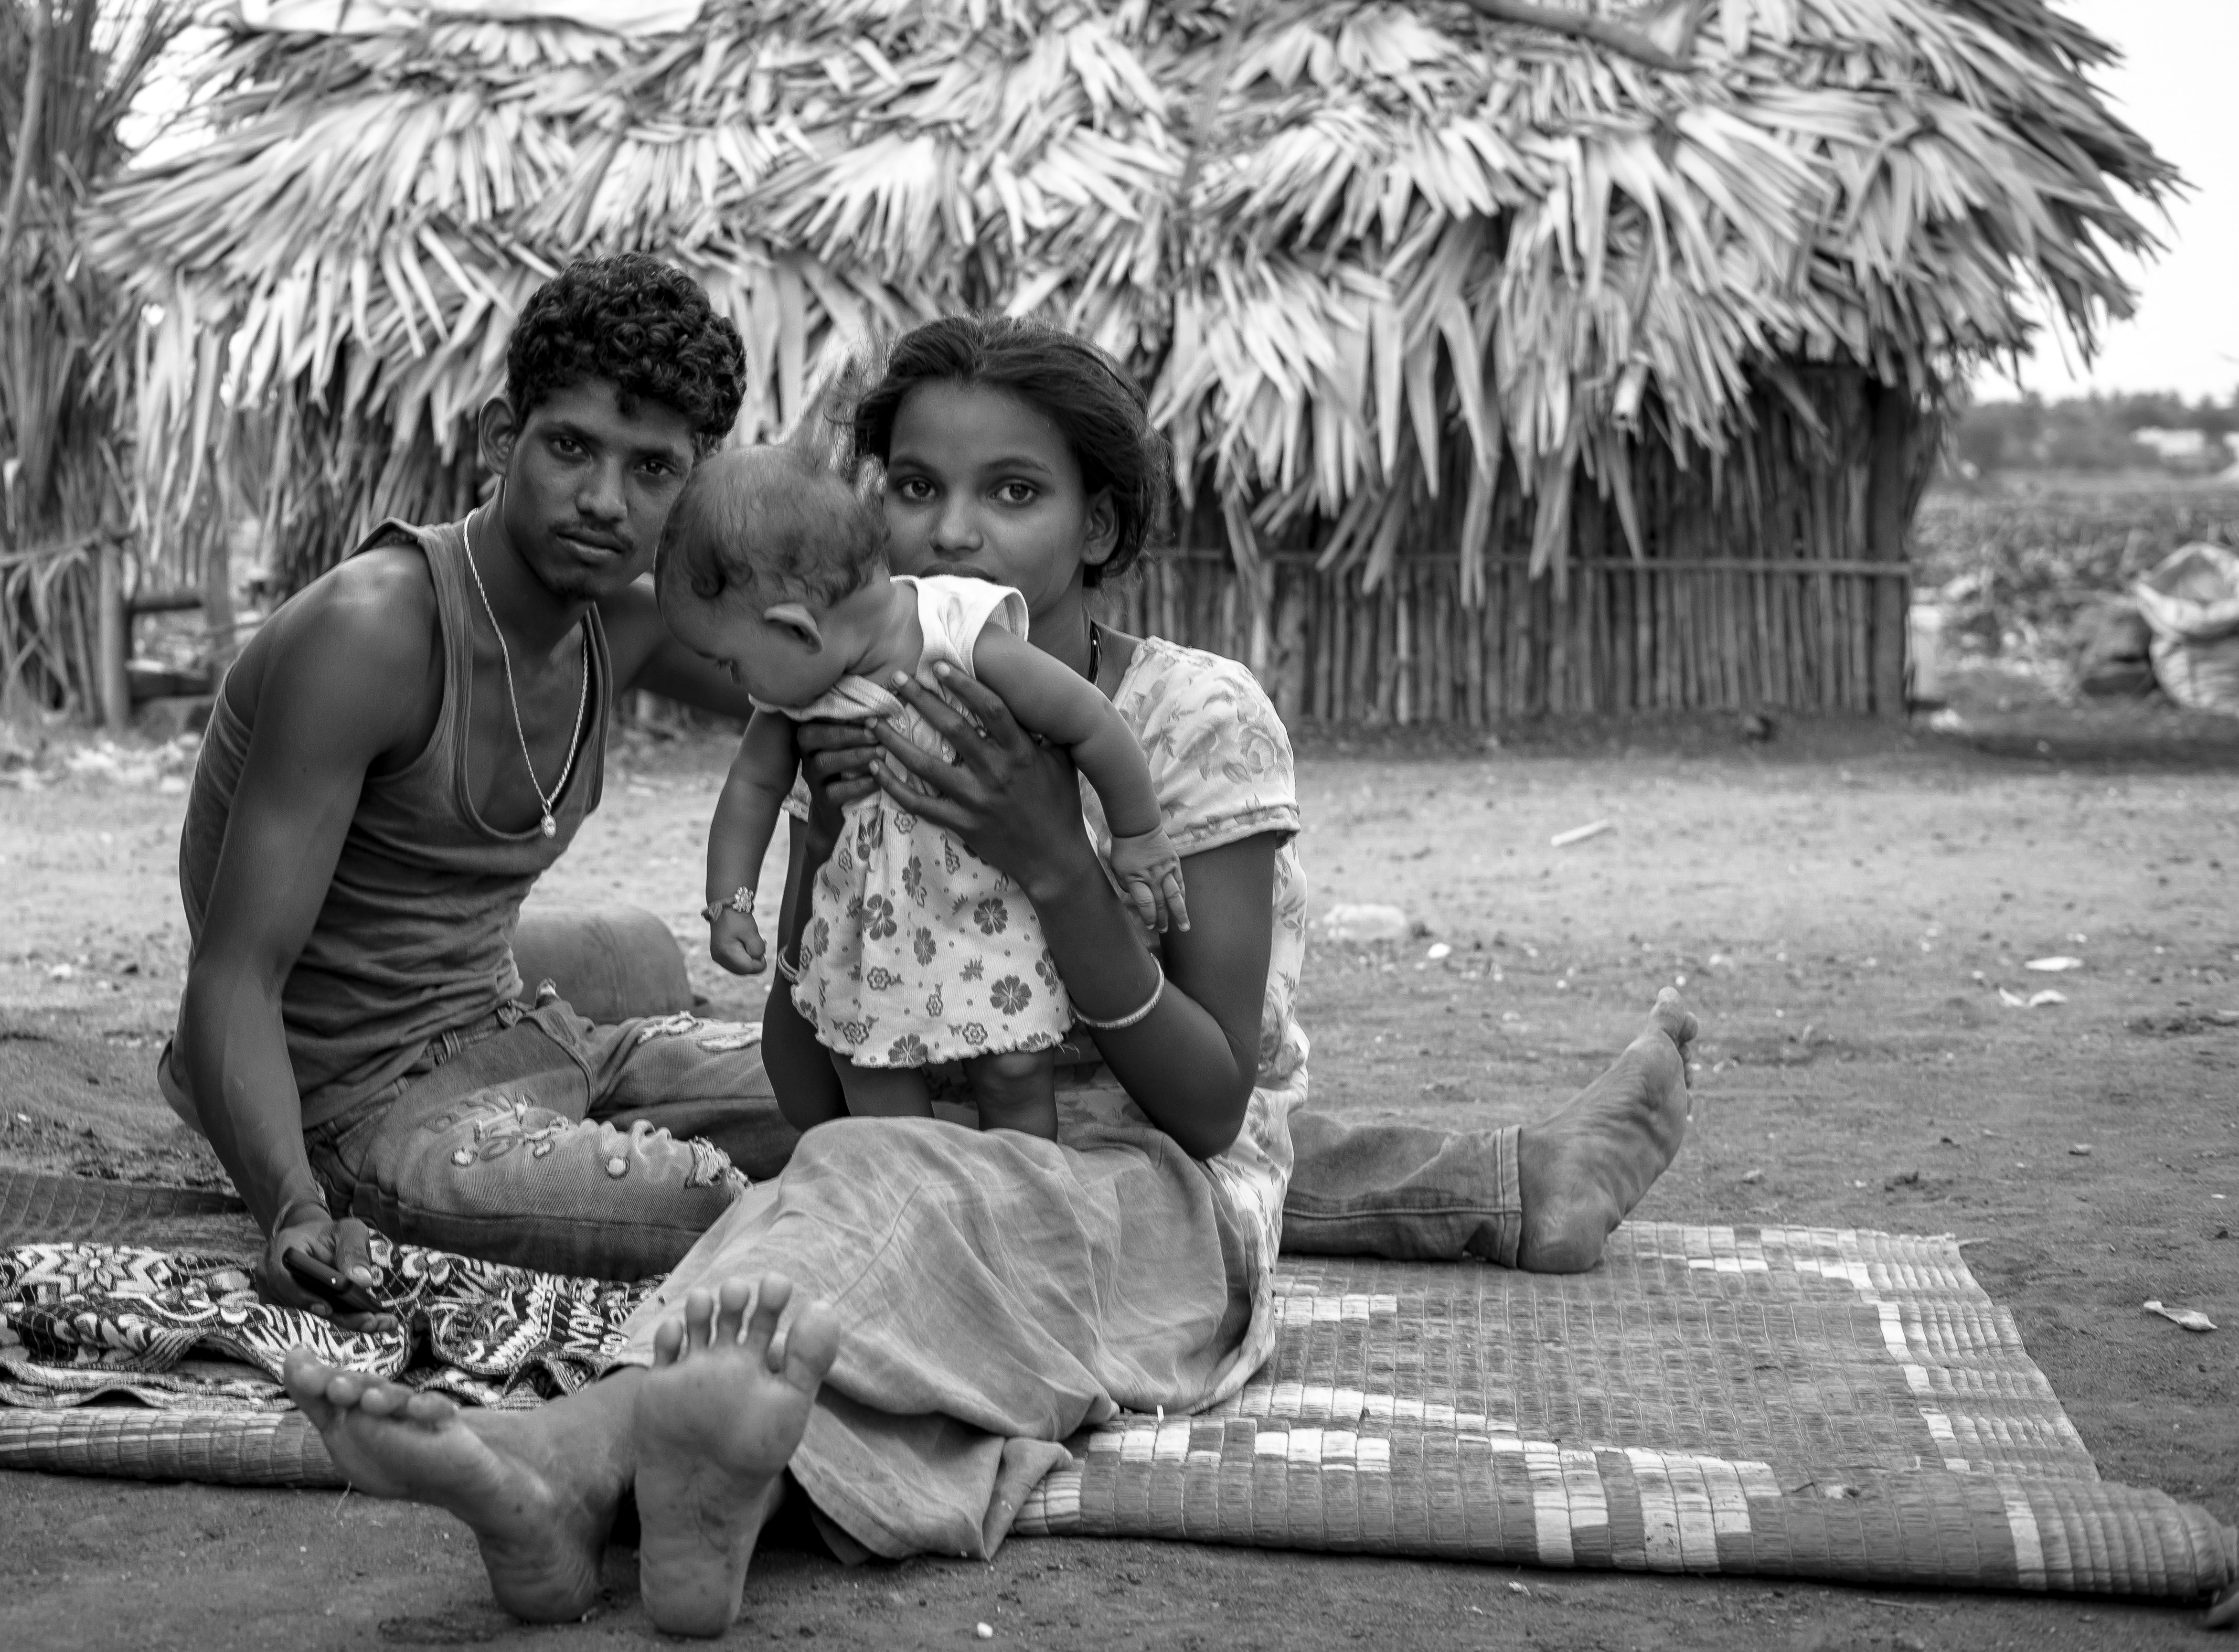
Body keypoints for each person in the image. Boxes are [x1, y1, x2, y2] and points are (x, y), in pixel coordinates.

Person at [280, 310, 1699, 1635]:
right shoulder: (835, 693)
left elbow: (1209, 1107)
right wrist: (824, 840)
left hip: (1147, 1194)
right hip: (933, 1147)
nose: (952, 528)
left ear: (1104, 526)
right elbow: (807, 1078)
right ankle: (681, 1477)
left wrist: (1054, 857)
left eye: (1014, 493)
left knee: (858, 1183)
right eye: (912, 487)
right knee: (856, 1174)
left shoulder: (1189, 718)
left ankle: (572, 1454)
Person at [171, 251, 1682, 1325]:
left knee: (979, 1105)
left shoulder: (637, 611)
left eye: (651, 470)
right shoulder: (379, 630)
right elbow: (229, 973)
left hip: (522, 1026)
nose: (601, 500)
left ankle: (1506, 1180)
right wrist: (292, 1209)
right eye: (568, 449)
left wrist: (1042, 806)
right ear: (505, 438)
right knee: (776, 1193)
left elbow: (859, 650)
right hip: (361, 1091)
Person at [662, 444, 1184, 1140]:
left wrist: (1139, 834)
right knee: (870, 1074)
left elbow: (1090, 721)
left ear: (796, 628)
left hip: (986, 915)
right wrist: (728, 903)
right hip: (867, 929)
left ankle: (1021, 1201)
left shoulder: (960, 636)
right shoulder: (798, 695)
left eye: (731, 661)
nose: (736, 681)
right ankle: (911, 1193)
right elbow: (750, 789)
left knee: (1013, 1069)